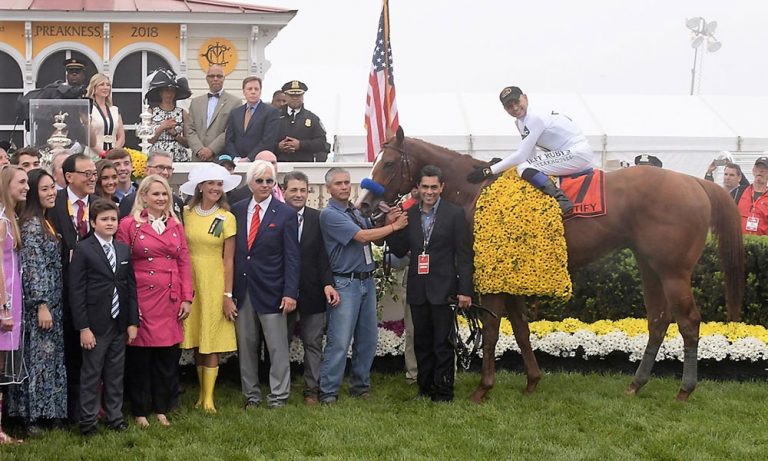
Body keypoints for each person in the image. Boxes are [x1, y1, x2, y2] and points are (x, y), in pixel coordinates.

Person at [318, 167, 407, 404]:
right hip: (345, 282)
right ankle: (328, 392)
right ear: (329, 188)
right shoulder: (329, 215)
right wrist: (394, 227)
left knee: (367, 339)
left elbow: (375, 238)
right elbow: (361, 237)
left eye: (347, 182)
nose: (345, 187)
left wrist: (387, 221)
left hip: (365, 279)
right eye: (338, 183)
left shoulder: (354, 212)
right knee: (339, 341)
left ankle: (360, 386)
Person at [386, 165, 473, 402]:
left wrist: (465, 290)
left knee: (442, 342)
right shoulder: (410, 215)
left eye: (434, 187)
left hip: (444, 289)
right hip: (418, 288)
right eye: (425, 186)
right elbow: (398, 249)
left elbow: (464, 254)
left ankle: (444, 391)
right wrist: (391, 226)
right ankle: (425, 388)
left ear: (442, 188)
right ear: (418, 188)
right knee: (421, 341)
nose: (429, 191)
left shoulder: (454, 214)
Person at [116, 175, 192, 428]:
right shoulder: (128, 225)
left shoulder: (175, 225)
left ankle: (162, 408)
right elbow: (121, 266)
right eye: (156, 194)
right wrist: (129, 302)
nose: (161, 199)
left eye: (164, 194)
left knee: (167, 357)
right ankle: (139, 410)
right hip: (141, 296)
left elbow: (184, 262)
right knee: (140, 358)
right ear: (144, 196)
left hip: (169, 297)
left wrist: (186, 297)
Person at [231, 160, 299, 409]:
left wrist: (290, 292)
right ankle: (251, 395)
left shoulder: (285, 213)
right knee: (246, 345)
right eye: (259, 180)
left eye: (269, 181)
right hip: (243, 289)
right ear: (250, 183)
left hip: (273, 290)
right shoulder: (236, 210)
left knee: (277, 346)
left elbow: (292, 257)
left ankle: (279, 395)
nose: (265, 185)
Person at [466, 86, 594, 215]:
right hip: (573, 154)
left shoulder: (533, 117)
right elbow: (529, 155)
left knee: (522, 167)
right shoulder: (521, 122)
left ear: (525, 98)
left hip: (577, 154)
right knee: (525, 166)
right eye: (510, 106)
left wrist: (489, 171)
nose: (515, 108)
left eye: (517, 102)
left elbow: (521, 156)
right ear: (505, 109)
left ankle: (560, 199)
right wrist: (503, 164)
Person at [69, 199, 139, 436]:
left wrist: (132, 322)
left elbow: (130, 287)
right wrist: (83, 327)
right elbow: (76, 291)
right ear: (93, 222)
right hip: (94, 323)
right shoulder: (84, 249)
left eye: (113, 219)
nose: (110, 223)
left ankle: (114, 417)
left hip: (118, 321)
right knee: (91, 373)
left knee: (115, 372)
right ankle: (88, 421)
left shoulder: (122, 249)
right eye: (104, 219)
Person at [7, 169, 68, 437]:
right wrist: (41, 303)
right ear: (33, 192)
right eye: (44, 189)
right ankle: (32, 416)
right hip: (39, 307)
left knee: (49, 359)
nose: (51, 192)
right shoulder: (32, 225)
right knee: (36, 360)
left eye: (53, 187)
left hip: (54, 302)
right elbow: (33, 267)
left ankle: (49, 412)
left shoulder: (45, 221)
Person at [178, 164, 240, 413]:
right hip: (189, 280)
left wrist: (227, 295)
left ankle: (209, 398)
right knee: (196, 337)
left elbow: (229, 259)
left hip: (214, 282)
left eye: (219, 184)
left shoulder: (227, 217)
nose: (215, 188)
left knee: (211, 338)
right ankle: (199, 395)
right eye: (211, 183)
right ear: (200, 187)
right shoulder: (186, 213)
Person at [282, 171, 339, 406]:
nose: (298, 195)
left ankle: (311, 390)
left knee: (313, 342)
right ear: (283, 191)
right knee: (279, 342)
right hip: (282, 292)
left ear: (309, 192)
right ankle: (280, 389)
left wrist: (328, 283)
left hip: (313, 290)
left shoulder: (318, 218)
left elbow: (322, 256)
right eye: (293, 190)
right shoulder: (275, 216)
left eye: (302, 190)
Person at [49, 152, 97, 423]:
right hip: (62, 292)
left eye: (94, 174)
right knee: (66, 352)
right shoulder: (53, 206)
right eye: (86, 174)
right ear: (69, 177)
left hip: (93, 294)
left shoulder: (102, 204)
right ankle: (64, 411)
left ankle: (87, 410)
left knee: (89, 354)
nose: (92, 179)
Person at [0, 165, 28, 444]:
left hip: (10, 300)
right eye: (21, 182)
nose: (26, 187)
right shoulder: (1, 221)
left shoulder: (10, 218)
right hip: (3, 302)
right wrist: (4, 308)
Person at [186, 65, 240, 161]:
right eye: (211, 76)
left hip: (220, 158)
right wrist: (199, 149)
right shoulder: (195, 102)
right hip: (198, 158)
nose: (215, 79)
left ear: (224, 78)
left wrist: (211, 149)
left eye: (219, 76)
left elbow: (230, 130)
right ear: (207, 79)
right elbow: (189, 129)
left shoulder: (235, 102)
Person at [225, 76, 279, 162]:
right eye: (249, 89)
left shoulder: (270, 112)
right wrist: (236, 158)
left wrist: (249, 158)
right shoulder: (235, 113)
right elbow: (229, 139)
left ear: (260, 91)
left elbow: (268, 140)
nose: (253, 92)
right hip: (237, 162)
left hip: (259, 162)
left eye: (256, 89)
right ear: (244, 92)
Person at [274, 80, 330, 162]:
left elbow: (321, 143)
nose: (295, 98)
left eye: (298, 95)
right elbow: (264, 141)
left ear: (303, 96)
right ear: (285, 96)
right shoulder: (274, 117)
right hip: (280, 164)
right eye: (291, 95)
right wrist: (278, 146)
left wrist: (300, 144)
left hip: (304, 165)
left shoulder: (312, 118)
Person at [118, 151, 183, 220]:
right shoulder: (130, 201)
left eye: (169, 168)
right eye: (160, 167)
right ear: (147, 170)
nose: (165, 172)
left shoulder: (177, 201)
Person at [146, 68, 192, 162]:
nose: (169, 94)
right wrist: (162, 127)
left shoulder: (183, 113)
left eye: (172, 90)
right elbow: (148, 140)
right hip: (157, 154)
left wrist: (175, 134)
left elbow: (188, 143)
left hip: (178, 155)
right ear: (160, 92)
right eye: (166, 90)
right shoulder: (151, 112)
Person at [86, 74, 125, 158]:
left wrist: (113, 153)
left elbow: (121, 136)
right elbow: (87, 135)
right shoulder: (88, 109)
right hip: (93, 153)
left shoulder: (115, 110)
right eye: (101, 84)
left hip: (113, 154)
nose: (105, 87)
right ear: (94, 88)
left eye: (108, 85)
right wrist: (103, 154)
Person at [735, 156, 768, 236]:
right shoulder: (739, 191)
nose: (760, 170)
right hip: (739, 242)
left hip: (762, 245)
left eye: (765, 169)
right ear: (753, 171)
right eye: (758, 167)